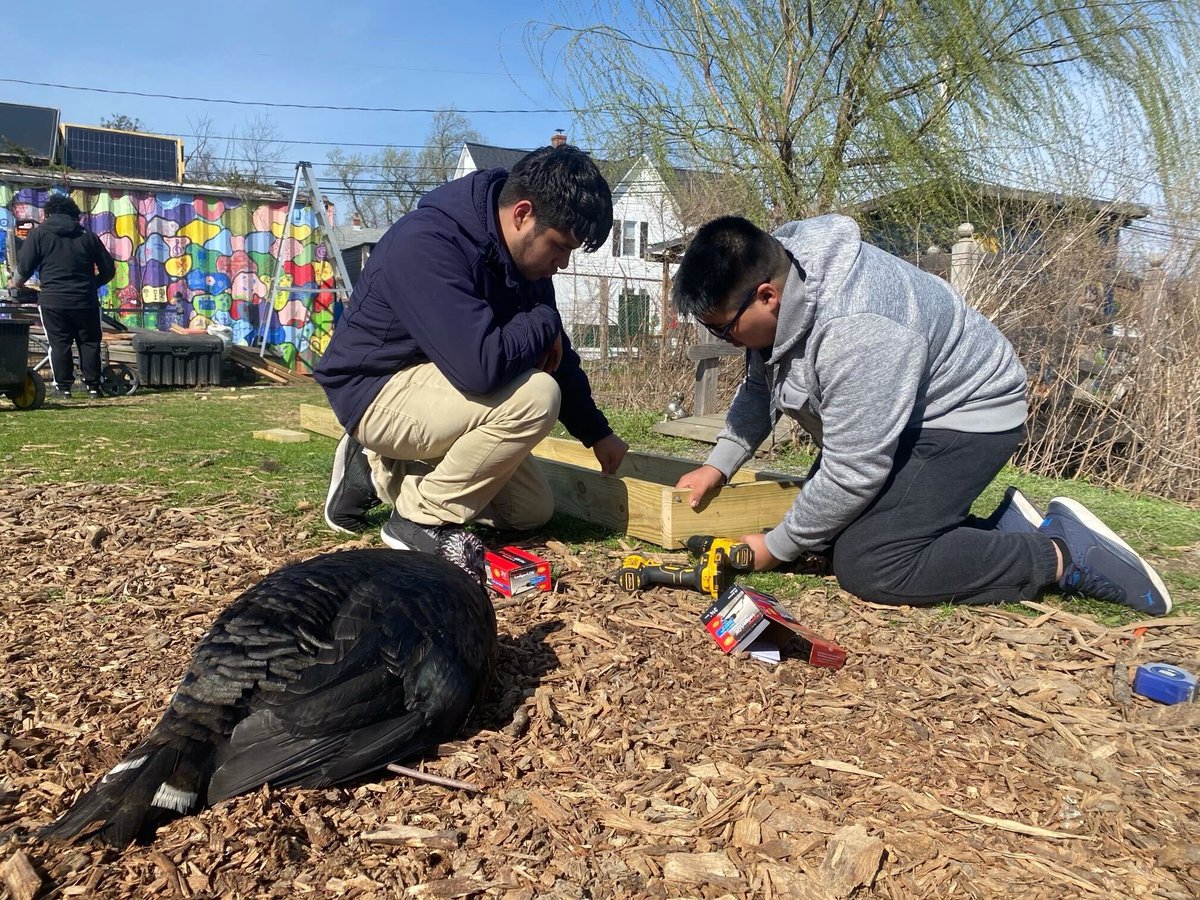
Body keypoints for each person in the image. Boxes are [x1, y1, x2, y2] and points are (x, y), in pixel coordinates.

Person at [671, 215, 1171, 615]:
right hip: (904, 412)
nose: (725, 341)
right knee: (828, 529)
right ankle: (997, 530)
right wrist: (719, 464)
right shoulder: (781, 272)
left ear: (766, 296)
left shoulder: (858, 329)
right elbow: (763, 385)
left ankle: (1062, 554)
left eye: (725, 329)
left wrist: (776, 548)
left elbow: (853, 471)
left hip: (967, 412)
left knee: (871, 564)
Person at [315, 144, 628, 559]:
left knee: (530, 511)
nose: (563, 263)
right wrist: (545, 321)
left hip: (440, 390)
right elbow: (481, 368)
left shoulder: (523, 261)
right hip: (374, 389)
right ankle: (416, 519)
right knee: (537, 395)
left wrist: (598, 434)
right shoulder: (427, 243)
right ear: (522, 214)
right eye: (561, 246)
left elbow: (555, 355)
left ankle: (374, 472)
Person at [10, 195, 116, 400]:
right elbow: (109, 269)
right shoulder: (88, 235)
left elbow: (25, 268)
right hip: (86, 301)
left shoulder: (39, 234)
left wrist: (15, 284)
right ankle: (94, 387)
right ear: (74, 214)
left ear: (47, 213)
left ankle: (64, 388)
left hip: (53, 300)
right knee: (90, 343)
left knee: (59, 344)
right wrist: (92, 284)